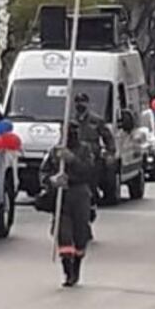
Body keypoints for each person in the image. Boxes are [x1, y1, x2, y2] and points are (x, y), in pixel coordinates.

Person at [40, 122, 97, 287]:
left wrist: (72, 160)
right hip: (61, 196)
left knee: (80, 235)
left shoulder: (85, 150)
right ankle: (68, 271)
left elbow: (90, 172)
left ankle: (77, 265)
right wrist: (52, 180)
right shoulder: (54, 151)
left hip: (80, 194)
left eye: (72, 132)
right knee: (63, 234)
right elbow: (44, 172)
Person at [73, 92, 116, 206]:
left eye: (82, 102)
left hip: (92, 157)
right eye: (77, 102)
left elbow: (108, 137)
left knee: (92, 181)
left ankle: (92, 202)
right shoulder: (71, 121)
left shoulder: (96, 120)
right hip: (75, 156)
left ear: (87, 104)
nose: (80, 104)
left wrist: (110, 152)